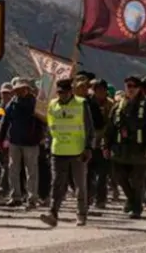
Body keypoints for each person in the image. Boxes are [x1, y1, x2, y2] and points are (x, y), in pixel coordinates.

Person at [40, 78, 93, 227]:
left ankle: (81, 214)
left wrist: (88, 147)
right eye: (58, 92)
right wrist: (49, 146)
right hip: (58, 150)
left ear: (70, 91)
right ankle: (53, 214)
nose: (60, 95)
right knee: (57, 183)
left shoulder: (81, 104)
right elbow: (50, 127)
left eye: (63, 92)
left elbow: (89, 128)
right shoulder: (52, 105)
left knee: (79, 185)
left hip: (78, 151)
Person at [105, 75, 146, 219]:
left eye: (133, 86)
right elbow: (110, 128)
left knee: (138, 180)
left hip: (139, 150)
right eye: (128, 86)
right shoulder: (118, 106)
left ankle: (136, 208)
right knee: (119, 176)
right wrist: (105, 145)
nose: (130, 89)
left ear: (139, 89)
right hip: (120, 150)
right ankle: (131, 199)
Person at [0, 77, 42, 209]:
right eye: (17, 89)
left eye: (21, 89)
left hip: (31, 142)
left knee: (31, 171)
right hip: (15, 141)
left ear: (27, 89)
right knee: (13, 170)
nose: (19, 91)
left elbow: (42, 122)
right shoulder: (12, 104)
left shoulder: (36, 104)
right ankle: (15, 196)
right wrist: (1, 140)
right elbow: (5, 123)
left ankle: (32, 199)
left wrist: (40, 137)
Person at [87, 78, 115, 210]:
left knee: (103, 174)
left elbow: (112, 123)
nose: (99, 92)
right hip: (89, 143)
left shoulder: (111, 105)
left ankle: (101, 199)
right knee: (87, 173)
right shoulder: (87, 103)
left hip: (104, 143)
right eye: (97, 90)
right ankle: (87, 197)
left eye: (102, 90)